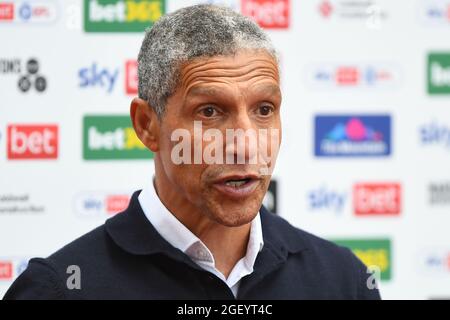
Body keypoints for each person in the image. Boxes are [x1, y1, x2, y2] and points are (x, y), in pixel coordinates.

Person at [4, 4, 380, 300]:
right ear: (147, 125)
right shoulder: (58, 290)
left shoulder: (343, 280)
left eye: (264, 110)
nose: (245, 144)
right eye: (210, 112)